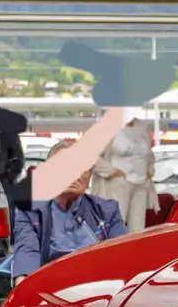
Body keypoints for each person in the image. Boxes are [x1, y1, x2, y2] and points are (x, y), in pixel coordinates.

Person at [10, 139, 129, 284]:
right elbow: (27, 253)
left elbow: (122, 258)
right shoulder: (30, 212)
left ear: (89, 177)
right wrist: (24, 284)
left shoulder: (108, 211)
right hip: (49, 286)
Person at [91, 118, 158, 234]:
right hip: (118, 184)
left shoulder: (142, 126)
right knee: (116, 222)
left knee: (138, 226)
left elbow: (149, 154)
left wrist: (149, 169)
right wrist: (111, 171)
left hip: (141, 183)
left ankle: (136, 245)